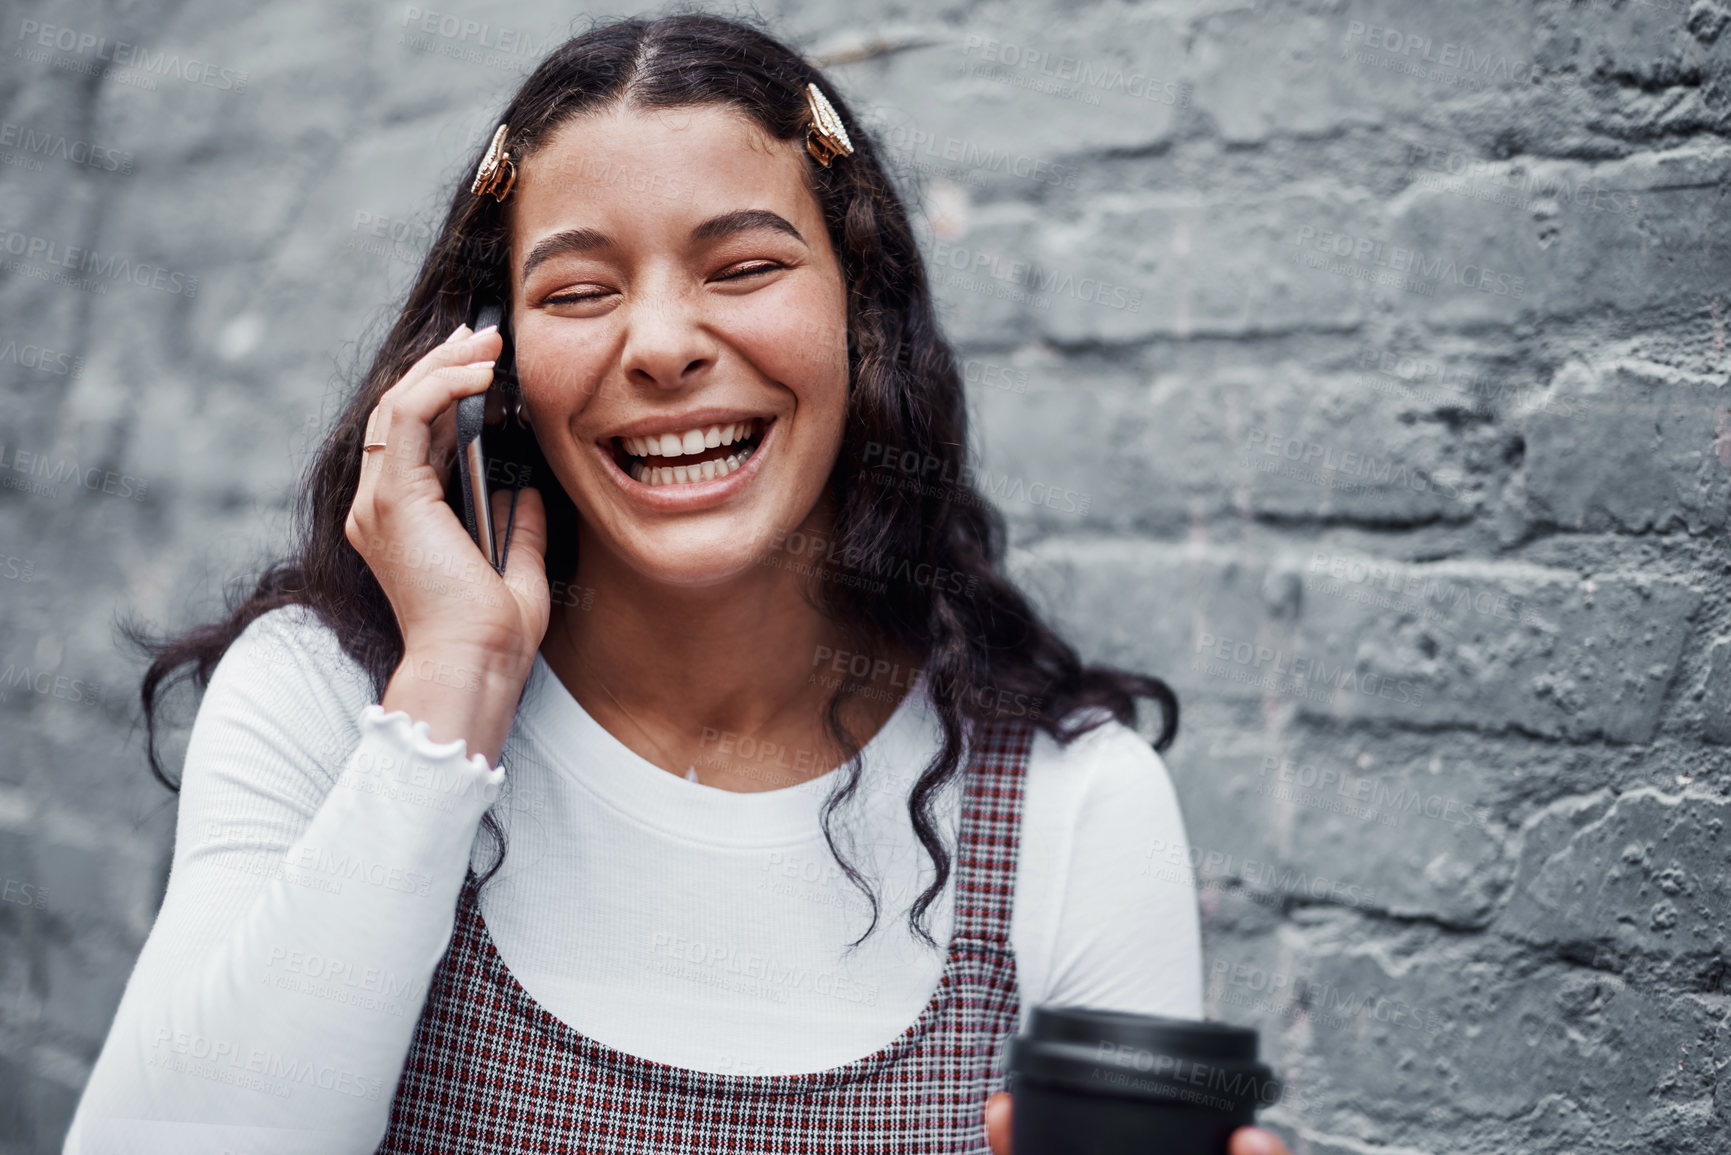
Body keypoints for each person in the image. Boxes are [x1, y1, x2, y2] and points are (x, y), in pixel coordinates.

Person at [66, 14, 1291, 1155]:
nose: (660, 347)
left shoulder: (1074, 805)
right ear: (494, 374)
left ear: (861, 322)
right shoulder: (330, 707)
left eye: (744, 267)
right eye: (579, 292)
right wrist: (454, 691)